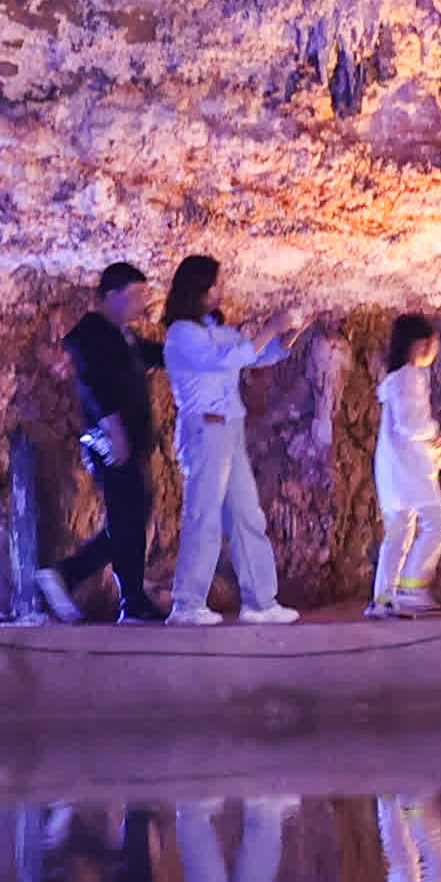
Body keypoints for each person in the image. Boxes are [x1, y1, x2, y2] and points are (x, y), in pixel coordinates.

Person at [158, 255, 297, 623]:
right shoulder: (182, 333)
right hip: (205, 429)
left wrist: (288, 333)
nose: (222, 290)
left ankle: (260, 603)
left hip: (230, 428)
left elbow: (255, 355)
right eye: (217, 283)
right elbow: (225, 361)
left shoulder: (216, 328)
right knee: (203, 514)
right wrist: (270, 326)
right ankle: (187, 604)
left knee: (246, 514)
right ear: (199, 288)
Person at [52, 264, 168, 623]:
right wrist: (115, 430)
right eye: (135, 296)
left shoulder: (122, 336)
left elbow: (159, 356)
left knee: (131, 517)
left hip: (127, 436)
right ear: (112, 296)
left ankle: (130, 599)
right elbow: (94, 384)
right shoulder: (91, 334)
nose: (142, 304)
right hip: (111, 437)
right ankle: (69, 576)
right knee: (127, 517)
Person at [371, 315, 441, 615]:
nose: (435, 350)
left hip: (394, 469)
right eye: (434, 343)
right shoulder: (408, 377)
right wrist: (435, 435)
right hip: (409, 470)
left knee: (399, 532)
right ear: (420, 344)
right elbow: (411, 423)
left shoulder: (399, 378)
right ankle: (412, 586)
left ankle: (383, 600)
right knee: (439, 525)